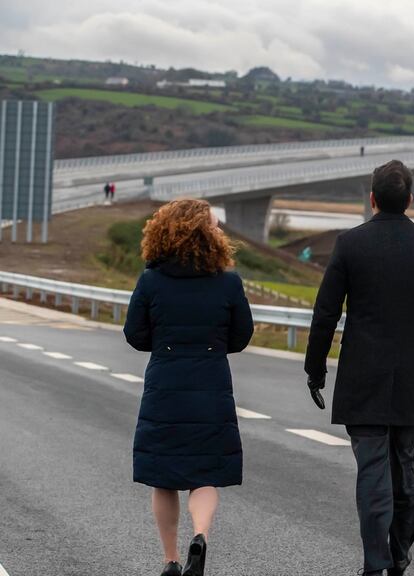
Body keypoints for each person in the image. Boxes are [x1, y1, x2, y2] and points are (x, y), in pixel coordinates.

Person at [304, 160, 414, 576]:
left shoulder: (350, 244)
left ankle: (376, 564)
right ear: (409, 200)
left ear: (371, 199)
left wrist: (315, 368)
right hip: (412, 375)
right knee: (403, 461)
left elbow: (325, 314)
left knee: (373, 468)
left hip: (363, 374)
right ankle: (400, 553)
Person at [123, 198, 254, 576]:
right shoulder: (228, 282)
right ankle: (200, 536)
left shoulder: (151, 280)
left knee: (163, 477)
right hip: (211, 385)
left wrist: (166, 343)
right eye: (215, 225)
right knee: (206, 474)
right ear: (207, 234)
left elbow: (135, 334)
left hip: (165, 383)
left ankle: (170, 560)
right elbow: (241, 336)